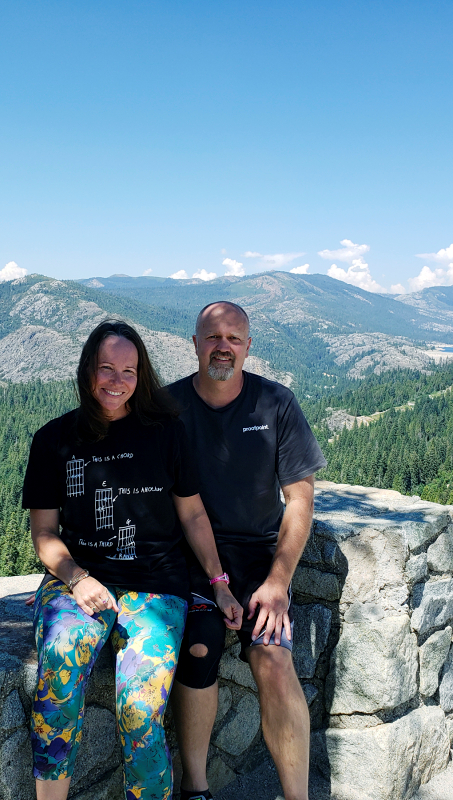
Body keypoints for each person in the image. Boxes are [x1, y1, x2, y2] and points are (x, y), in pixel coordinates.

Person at [22, 320, 242, 800]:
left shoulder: (167, 433)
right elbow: (43, 534)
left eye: (128, 370)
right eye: (106, 369)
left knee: (141, 711)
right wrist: (77, 579)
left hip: (157, 588)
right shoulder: (54, 440)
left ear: (141, 376)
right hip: (76, 582)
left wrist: (219, 582)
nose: (117, 381)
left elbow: (192, 514)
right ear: (87, 371)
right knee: (57, 680)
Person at [167, 301, 327, 800]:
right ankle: (196, 788)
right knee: (198, 647)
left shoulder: (276, 404)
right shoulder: (167, 408)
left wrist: (278, 582)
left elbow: (300, 500)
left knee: (274, 658)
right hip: (191, 561)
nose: (223, 347)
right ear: (194, 344)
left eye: (234, 338)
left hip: (261, 559)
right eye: (213, 337)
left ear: (248, 346)